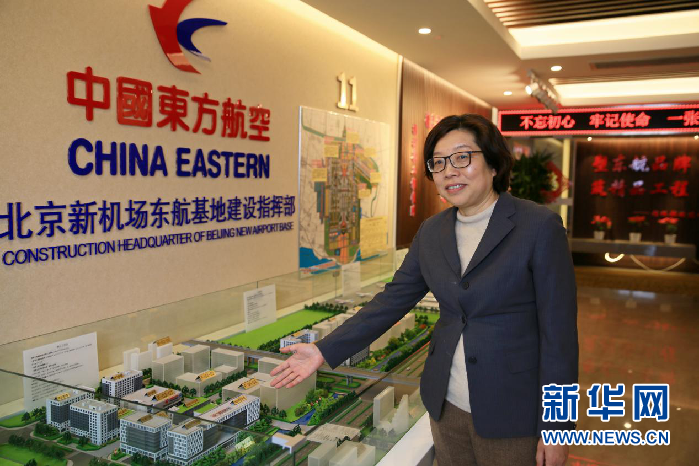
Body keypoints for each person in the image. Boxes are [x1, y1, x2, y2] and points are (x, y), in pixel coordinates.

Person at [270, 113, 578, 466]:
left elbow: (560, 337)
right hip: (445, 406)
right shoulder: (432, 232)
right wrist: (323, 350)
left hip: (513, 412)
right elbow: (392, 300)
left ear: (494, 164)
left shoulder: (538, 227)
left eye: (462, 157)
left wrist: (558, 428)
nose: (449, 171)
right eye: (438, 162)